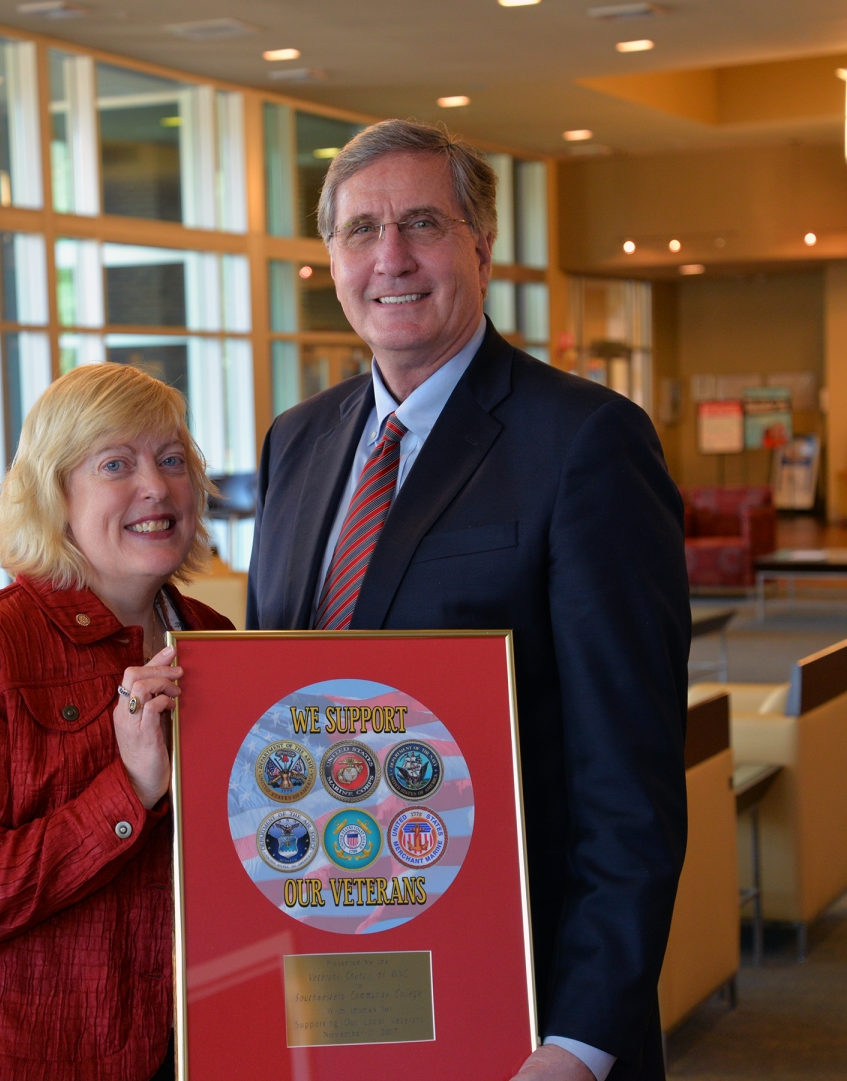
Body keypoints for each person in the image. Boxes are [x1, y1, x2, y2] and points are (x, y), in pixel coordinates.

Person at [247, 119, 689, 1081]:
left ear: (480, 246)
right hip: (325, 985)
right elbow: (275, 719)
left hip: (518, 1000)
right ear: (331, 260)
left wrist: (579, 1041)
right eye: (361, 231)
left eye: (420, 224)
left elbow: (632, 781)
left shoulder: (587, 442)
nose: (390, 258)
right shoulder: (296, 442)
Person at [0, 363, 235, 1081]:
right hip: (14, 1058)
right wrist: (129, 790)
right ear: (56, 495)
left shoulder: (214, 637)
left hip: (185, 1048)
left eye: (173, 460)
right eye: (117, 463)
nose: (156, 485)